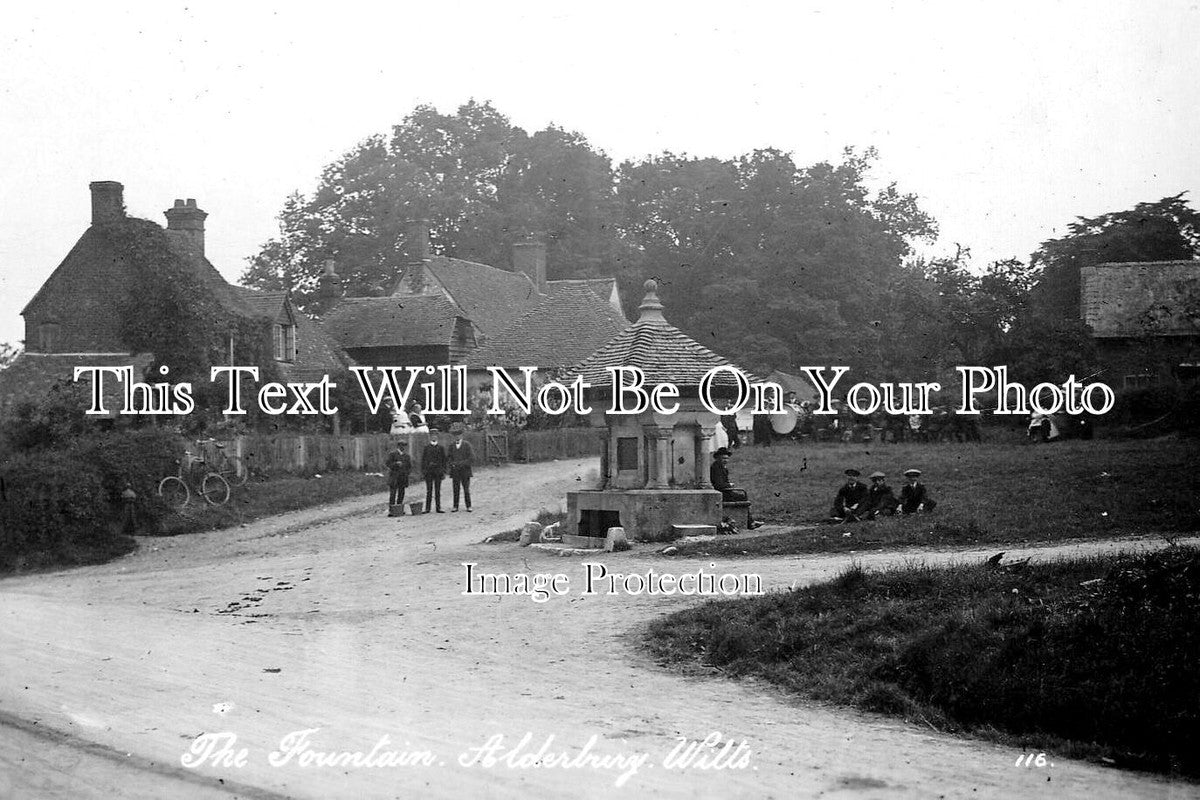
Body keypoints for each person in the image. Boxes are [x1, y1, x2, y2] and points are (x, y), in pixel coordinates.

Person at [709, 448, 762, 529]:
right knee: (742, 496)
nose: (725, 460)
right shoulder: (716, 468)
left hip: (724, 491)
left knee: (741, 495)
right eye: (723, 458)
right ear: (718, 458)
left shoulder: (722, 467)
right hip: (721, 492)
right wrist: (729, 485)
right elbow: (718, 484)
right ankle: (750, 522)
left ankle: (750, 521)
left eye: (727, 458)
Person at [447, 423, 474, 512]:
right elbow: (449, 457)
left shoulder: (467, 445)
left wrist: (461, 464)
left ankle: (468, 506)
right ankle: (455, 506)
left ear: (461, 435)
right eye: (455, 435)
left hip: (465, 470)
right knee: (456, 489)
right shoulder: (451, 446)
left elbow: (471, 458)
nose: (457, 437)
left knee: (466, 489)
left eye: (458, 434)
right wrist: (452, 464)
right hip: (455, 471)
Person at [421, 428, 448, 513]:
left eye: (435, 435)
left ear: (437, 437)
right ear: (430, 437)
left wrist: (443, 471)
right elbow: (423, 460)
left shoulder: (441, 448)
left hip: (438, 472)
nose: (434, 437)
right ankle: (427, 508)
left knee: (437, 490)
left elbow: (444, 460)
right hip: (429, 472)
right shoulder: (426, 448)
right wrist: (424, 471)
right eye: (432, 436)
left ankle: (438, 507)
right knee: (429, 490)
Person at [384, 439, 412, 515]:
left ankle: (399, 509)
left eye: (404, 446)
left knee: (401, 493)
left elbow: (409, 466)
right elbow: (388, 464)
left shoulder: (407, 456)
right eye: (401, 445)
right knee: (393, 494)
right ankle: (392, 510)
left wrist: (407, 473)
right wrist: (396, 464)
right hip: (394, 477)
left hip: (403, 477)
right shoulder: (392, 454)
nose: (403, 447)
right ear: (398, 446)